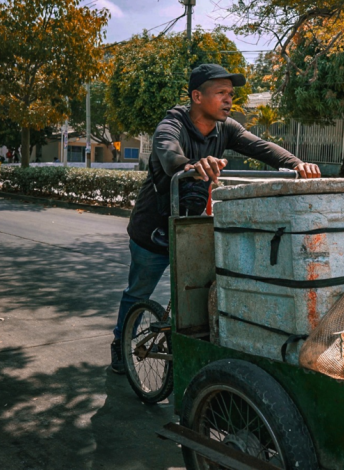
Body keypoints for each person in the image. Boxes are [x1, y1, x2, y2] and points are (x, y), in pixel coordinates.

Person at [109, 64, 321, 373]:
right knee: (138, 293)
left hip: (191, 229)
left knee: (197, 296)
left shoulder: (227, 129)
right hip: (152, 229)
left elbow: (261, 147)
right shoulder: (173, 124)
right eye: (220, 93)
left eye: (230, 94)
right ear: (197, 96)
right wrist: (192, 165)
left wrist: (298, 163)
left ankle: (187, 349)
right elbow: (168, 155)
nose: (228, 100)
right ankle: (120, 344)